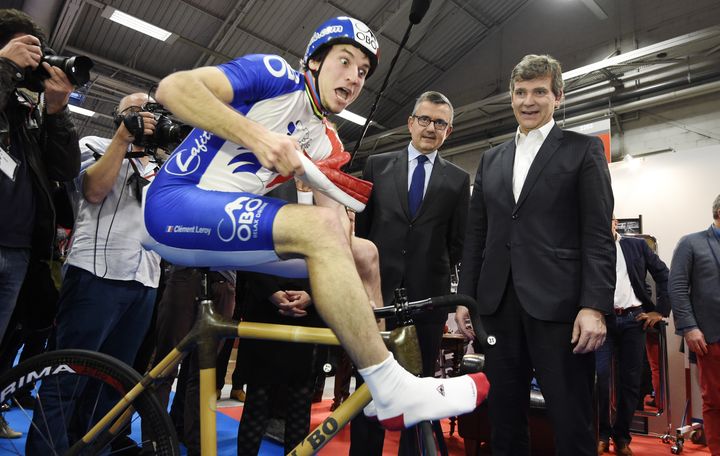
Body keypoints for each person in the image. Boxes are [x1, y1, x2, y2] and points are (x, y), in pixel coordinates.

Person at [142, 16, 489, 434]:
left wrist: (339, 254)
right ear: (314, 61)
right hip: (174, 204)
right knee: (324, 230)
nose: (354, 77)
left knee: (364, 252)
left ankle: (384, 377)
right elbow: (172, 89)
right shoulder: (274, 75)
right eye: (344, 62)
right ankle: (389, 381)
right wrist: (259, 137)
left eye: (362, 71)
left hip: (223, 222)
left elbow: (338, 237)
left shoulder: (327, 140)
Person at [456, 54, 615, 456]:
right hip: (496, 307)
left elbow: (597, 234)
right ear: (511, 97)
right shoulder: (491, 159)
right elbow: (477, 236)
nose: (529, 101)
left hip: (560, 310)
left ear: (557, 98)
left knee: (571, 419)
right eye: (520, 92)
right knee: (504, 421)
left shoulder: (583, 150)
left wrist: (594, 305)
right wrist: (466, 300)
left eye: (539, 92)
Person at [26, 93, 162, 453]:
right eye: (134, 110)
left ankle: (89, 447)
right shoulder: (95, 144)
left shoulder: (161, 168)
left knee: (112, 384)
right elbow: (94, 191)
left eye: (149, 111)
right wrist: (122, 138)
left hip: (145, 282)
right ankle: (46, 449)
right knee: (68, 375)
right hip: (95, 276)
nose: (143, 116)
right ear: (118, 116)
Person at [352, 90, 469, 454]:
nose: (430, 128)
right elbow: (363, 233)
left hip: (427, 302)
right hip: (376, 298)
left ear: (448, 131)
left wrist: (459, 296)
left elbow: (458, 244)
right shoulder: (377, 165)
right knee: (368, 388)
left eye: (439, 123)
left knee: (420, 390)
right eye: (424, 119)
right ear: (410, 123)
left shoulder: (457, 179)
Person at [0, 8, 80, 439]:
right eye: (24, 51)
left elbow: (64, 168)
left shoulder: (23, 110)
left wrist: (57, 108)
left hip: (19, 252)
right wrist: (4, 66)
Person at [597, 217, 669, 455]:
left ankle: (621, 437)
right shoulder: (589, 249)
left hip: (633, 320)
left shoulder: (636, 246)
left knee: (631, 381)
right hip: (602, 321)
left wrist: (659, 310)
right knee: (600, 378)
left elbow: (663, 275)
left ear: (614, 222)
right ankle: (602, 433)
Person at [669, 194, 720, 456]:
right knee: (715, 401)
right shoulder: (692, 242)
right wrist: (689, 327)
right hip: (711, 337)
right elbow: (676, 288)